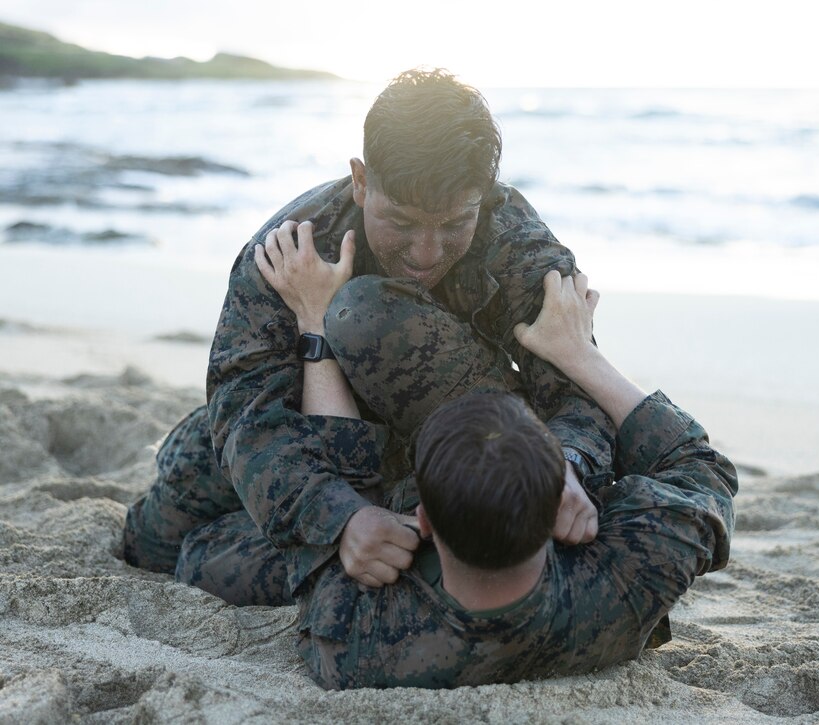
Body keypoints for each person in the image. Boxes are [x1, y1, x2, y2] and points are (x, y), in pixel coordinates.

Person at [121, 68, 614, 605]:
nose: (427, 253)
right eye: (401, 222)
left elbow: (576, 387)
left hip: (457, 436)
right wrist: (340, 516)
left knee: (363, 314)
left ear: (484, 195)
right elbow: (246, 412)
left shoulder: (519, 247)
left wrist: (562, 467)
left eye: (454, 224)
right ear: (361, 181)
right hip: (310, 415)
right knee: (156, 539)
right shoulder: (291, 246)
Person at [256, 234, 738, 688]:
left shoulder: (357, 643)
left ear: (421, 519)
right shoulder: (636, 571)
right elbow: (701, 467)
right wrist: (579, 355)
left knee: (191, 543)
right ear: (559, 502)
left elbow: (337, 498)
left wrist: (315, 325)